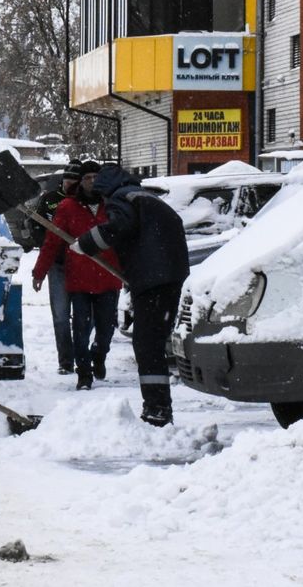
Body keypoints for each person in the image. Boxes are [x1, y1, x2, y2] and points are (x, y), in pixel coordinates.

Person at [72, 164, 189, 427]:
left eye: (102, 196)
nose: (103, 202)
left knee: (147, 344)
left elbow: (118, 227)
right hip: (170, 274)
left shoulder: (121, 199)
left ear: (106, 189)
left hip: (153, 277)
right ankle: (158, 407)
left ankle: (157, 409)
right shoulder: (145, 197)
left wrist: (86, 242)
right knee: (153, 341)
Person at [32, 160, 120, 390]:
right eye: (87, 177)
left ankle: (99, 355)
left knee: (106, 326)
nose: (91, 181)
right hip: (79, 279)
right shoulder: (67, 207)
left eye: (95, 177)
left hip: (108, 277)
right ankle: (83, 373)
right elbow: (52, 241)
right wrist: (40, 271)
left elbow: (125, 239)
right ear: (81, 182)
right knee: (80, 327)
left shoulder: (111, 204)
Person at [28, 162, 81, 373]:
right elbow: (35, 225)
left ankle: (82, 356)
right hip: (57, 265)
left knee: (83, 316)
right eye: (68, 180)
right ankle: (65, 361)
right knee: (60, 315)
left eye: (75, 180)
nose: (71, 183)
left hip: (82, 265)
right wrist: (47, 244)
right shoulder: (49, 199)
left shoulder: (85, 201)